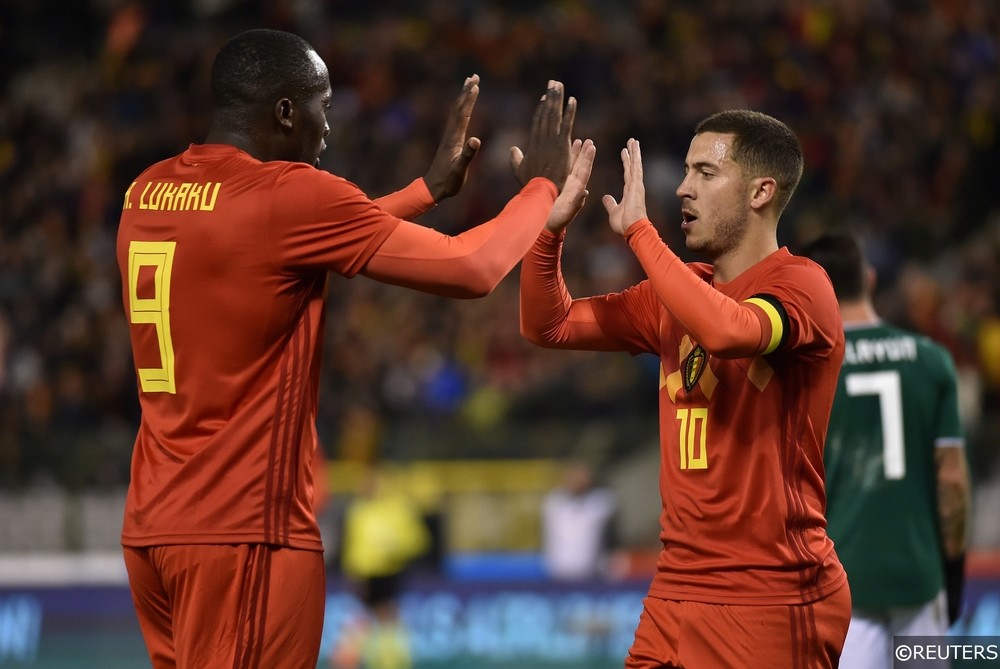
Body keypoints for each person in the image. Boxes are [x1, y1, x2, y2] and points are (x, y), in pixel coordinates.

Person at [116, 28, 594, 669]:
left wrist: (423, 192)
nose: (327, 128)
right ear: (286, 111)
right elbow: (472, 268)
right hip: (245, 530)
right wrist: (540, 188)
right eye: (324, 107)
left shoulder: (148, 191)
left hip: (154, 529)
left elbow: (274, 241)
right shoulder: (288, 194)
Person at [520, 114, 851, 668]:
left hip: (770, 592)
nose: (682, 187)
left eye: (705, 171)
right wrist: (548, 231)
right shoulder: (675, 294)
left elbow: (729, 332)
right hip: (675, 586)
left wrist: (640, 234)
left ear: (760, 192)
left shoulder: (802, 286)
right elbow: (546, 324)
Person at [800, 231, 971, 669]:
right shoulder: (931, 360)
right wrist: (952, 569)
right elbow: (951, 479)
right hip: (920, 578)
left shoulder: (806, 373)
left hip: (843, 587)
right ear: (870, 279)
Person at [540, 459, 616, 581]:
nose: (577, 481)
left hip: (591, 574)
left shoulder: (600, 503)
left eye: (581, 477)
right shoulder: (553, 503)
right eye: (573, 477)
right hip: (558, 573)